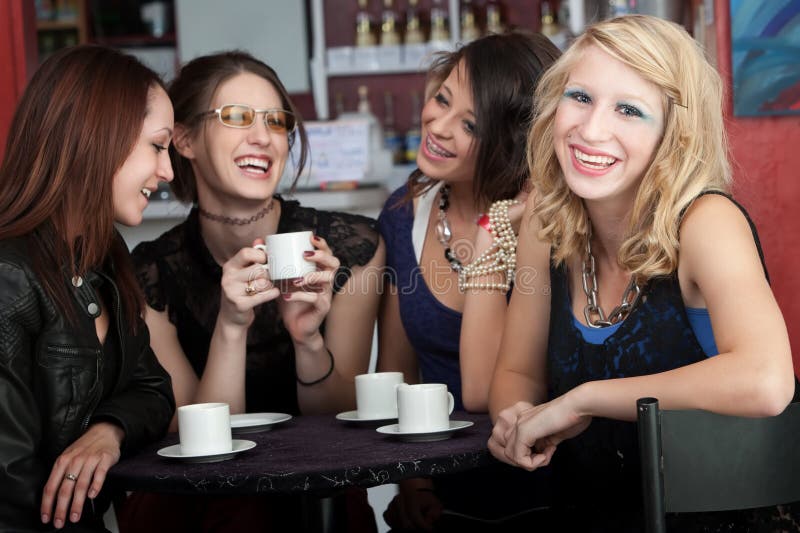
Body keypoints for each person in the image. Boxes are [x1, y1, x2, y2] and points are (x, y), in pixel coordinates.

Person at [488, 15, 799, 531]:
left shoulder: (706, 222)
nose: (591, 130)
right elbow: (516, 373)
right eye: (580, 97)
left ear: (674, 137)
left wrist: (583, 400)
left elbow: (766, 381)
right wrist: (515, 418)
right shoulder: (545, 222)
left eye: (629, 110)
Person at [119, 51, 383, 531]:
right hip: (204, 509)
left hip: (318, 499)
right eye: (237, 117)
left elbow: (343, 430)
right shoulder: (149, 274)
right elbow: (200, 446)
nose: (263, 137)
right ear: (184, 139)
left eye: (276, 121)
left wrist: (308, 340)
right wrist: (231, 326)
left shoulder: (353, 246)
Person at [376, 31, 561, 531]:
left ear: (511, 143)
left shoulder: (548, 226)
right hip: (441, 491)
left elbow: (485, 390)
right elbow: (398, 371)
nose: (436, 126)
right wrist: (411, 482)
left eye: (470, 124)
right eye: (441, 99)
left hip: (546, 488)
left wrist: (493, 234)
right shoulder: (404, 213)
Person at [0, 45, 176, 531]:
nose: (168, 173)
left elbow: (154, 390)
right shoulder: (8, 276)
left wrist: (108, 429)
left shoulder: (101, 258)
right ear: (98, 136)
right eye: (158, 146)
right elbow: (10, 491)